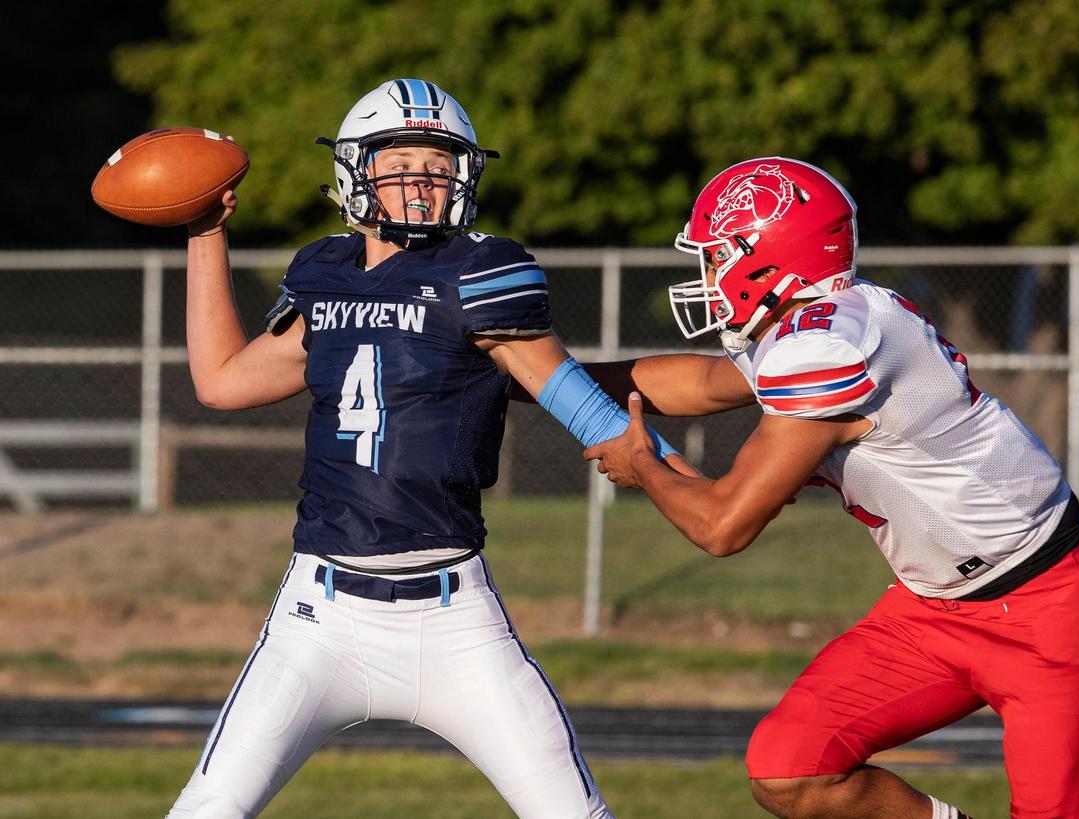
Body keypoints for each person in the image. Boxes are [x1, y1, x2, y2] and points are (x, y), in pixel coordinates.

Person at [167, 78, 690, 818]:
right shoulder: (324, 274)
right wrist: (203, 233)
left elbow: (573, 397)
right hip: (320, 617)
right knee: (205, 810)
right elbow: (221, 381)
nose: (421, 180)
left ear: (464, 179)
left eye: (439, 166)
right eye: (400, 160)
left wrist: (689, 482)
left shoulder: (479, 273)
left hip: (454, 618)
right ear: (358, 170)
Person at [583, 157, 1079, 818]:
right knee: (790, 768)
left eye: (716, 256)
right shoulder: (818, 321)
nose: (707, 276)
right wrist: (542, 374)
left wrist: (643, 465)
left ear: (764, 257)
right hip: (933, 608)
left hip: (1046, 603)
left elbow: (721, 525)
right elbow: (698, 384)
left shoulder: (831, 345)